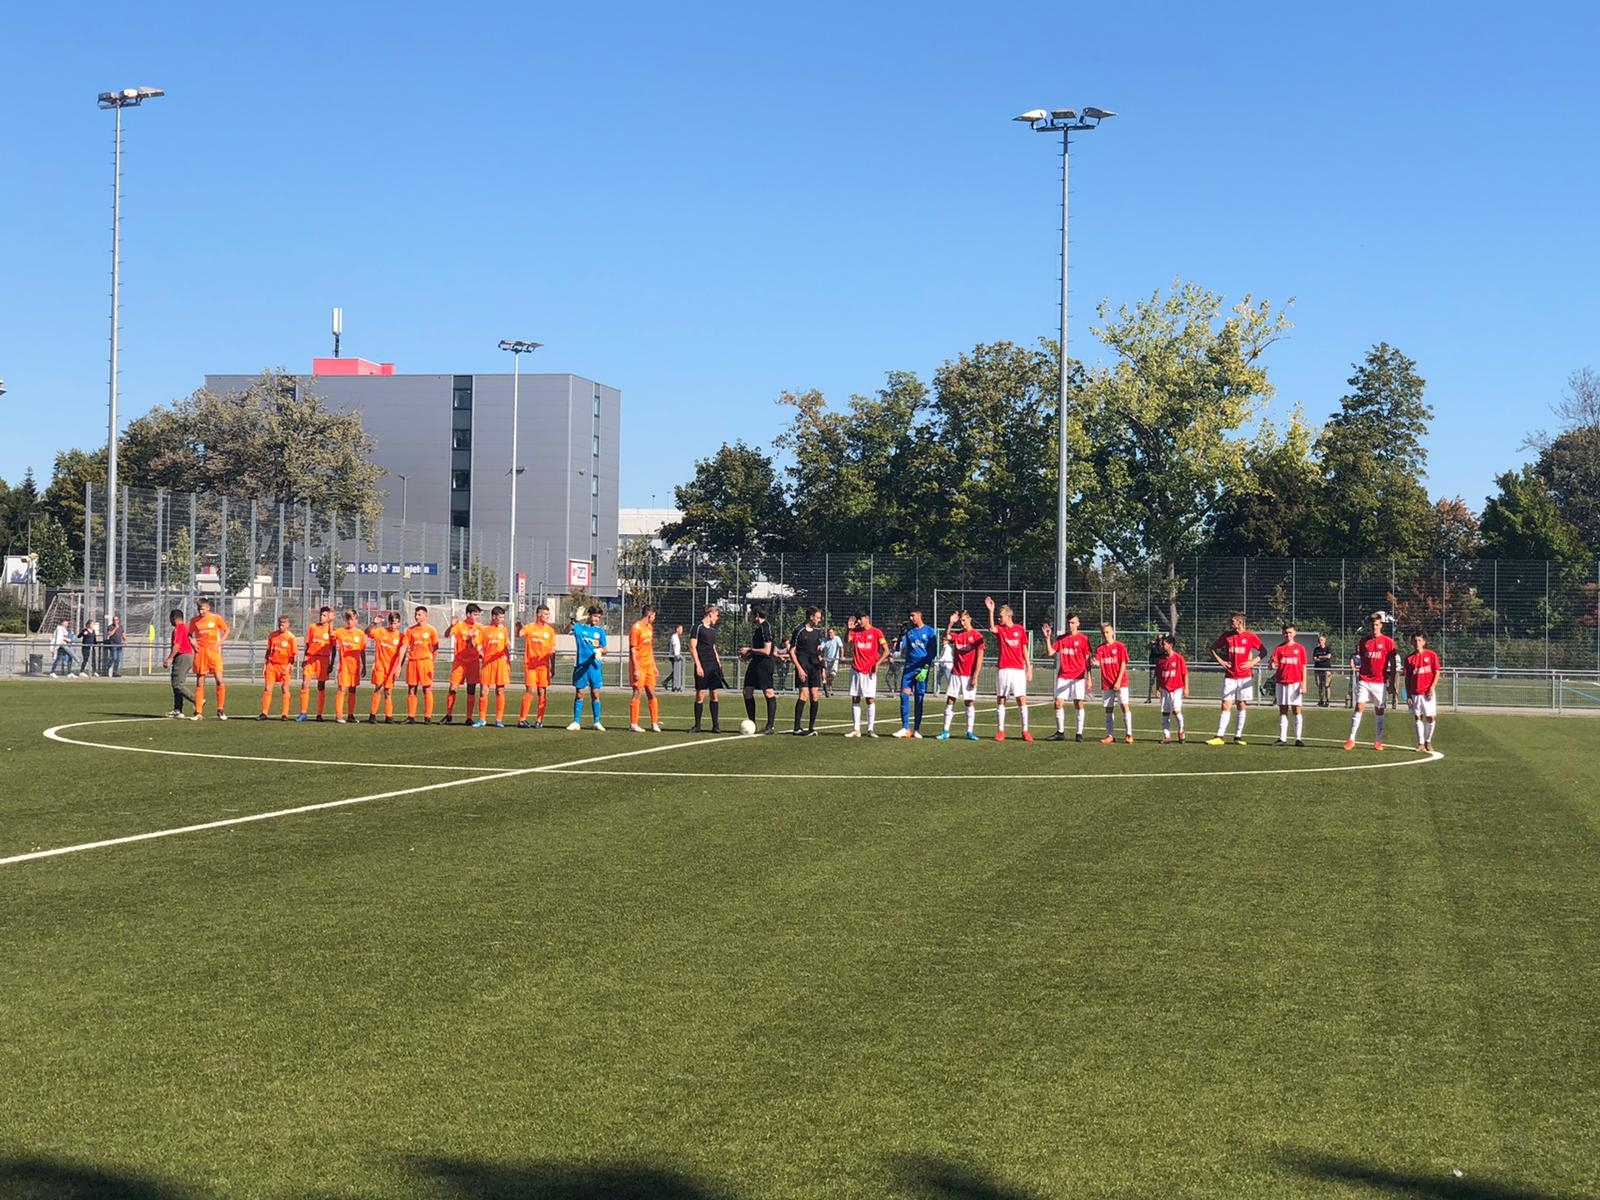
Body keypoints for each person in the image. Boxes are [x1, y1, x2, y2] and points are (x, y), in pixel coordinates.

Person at [1207, 612, 1264, 746]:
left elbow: (1264, 651)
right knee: (1226, 704)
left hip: (1245, 676)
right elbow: (1212, 648)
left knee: (1241, 704)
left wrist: (1252, 662)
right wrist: (1221, 661)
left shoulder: (1250, 636)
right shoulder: (1227, 636)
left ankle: (1238, 736)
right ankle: (1219, 735)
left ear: (1240, 622)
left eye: (1233, 621)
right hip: (1230, 676)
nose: (1230, 623)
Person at [1346, 612, 1398, 751]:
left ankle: (1378, 741)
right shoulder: (1364, 641)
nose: (1374, 627)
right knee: (1359, 707)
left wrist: (1392, 683)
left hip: (1380, 681)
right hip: (1364, 679)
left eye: (1376, 625)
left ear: (1381, 626)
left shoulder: (1388, 642)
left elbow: (1393, 664)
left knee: (1379, 711)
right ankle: (1351, 739)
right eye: (1372, 625)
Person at [984, 596, 1033, 742]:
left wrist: (1029, 668)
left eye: (1001, 616)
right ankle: (1000, 731)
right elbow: (992, 628)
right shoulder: (1000, 629)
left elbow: (1024, 650)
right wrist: (991, 611)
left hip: (1018, 670)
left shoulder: (1020, 629)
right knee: (1001, 699)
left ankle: (1025, 730)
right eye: (998, 616)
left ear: (1009, 616)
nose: (999, 618)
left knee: (1021, 699)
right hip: (1003, 668)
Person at [1041, 611, 1092, 742]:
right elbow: (1050, 652)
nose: (1070, 625)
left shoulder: (1083, 639)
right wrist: (1047, 638)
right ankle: (1060, 732)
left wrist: (1089, 678)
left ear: (1078, 624)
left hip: (1078, 677)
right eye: (1069, 623)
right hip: (1063, 676)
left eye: (1073, 622)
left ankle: (1079, 733)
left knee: (1079, 704)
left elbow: (1087, 660)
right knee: (1058, 703)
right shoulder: (1061, 638)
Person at [937, 610, 985, 741]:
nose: (962, 623)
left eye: (964, 620)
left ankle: (969, 731)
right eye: (961, 621)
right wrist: (950, 623)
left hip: (969, 675)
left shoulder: (977, 636)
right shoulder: (958, 635)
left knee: (969, 702)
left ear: (970, 619)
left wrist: (975, 676)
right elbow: (946, 636)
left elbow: (980, 658)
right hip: (956, 673)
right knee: (950, 700)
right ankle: (945, 731)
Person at [894, 608, 940, 738]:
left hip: (922, 668)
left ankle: (917, 729)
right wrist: (900, 635)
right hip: (909, 669)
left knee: (919, 698)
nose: (910, 618)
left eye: (912, 615)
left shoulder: (929, 631)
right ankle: (905, 728)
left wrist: (926, 667)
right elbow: (898, 649)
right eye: (909, 616)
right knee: (904, 695)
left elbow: (933, 652)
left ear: (919, 615)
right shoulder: (910, 632)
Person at [844, 611, 890, 737]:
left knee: (870, 699)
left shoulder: (876, 632)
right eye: (857, 619)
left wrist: (877, 663)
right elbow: (847, 640)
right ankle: (856, 729)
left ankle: (870, 729)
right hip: (856, 669)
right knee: (855, 698)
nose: (858, 621)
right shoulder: (855, 632)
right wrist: (848, 629)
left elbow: (886, 651)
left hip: (869, 671)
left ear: (867, 618)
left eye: (860, 619)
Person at [441, 604, 483, 724]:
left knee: (471, 689)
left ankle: (469, 718)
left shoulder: (479, 628)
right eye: (475, 614)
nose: (477, 617)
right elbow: (446, 635)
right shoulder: (459, 625)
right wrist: (451, 625)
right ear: (468, 614)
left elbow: (475, 646)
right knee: (453, 688)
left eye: (478, 615)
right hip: (459, 662)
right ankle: (448, 715)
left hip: (473, 662)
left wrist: (471, 639)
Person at [189, 598, 231, 719]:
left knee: (219, 679)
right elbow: (189, 634)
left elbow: (227, 630)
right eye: (199, 609)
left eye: (202, 609)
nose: (200, 611)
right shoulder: (194, 621)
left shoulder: (216, 618)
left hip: (213, 651)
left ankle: (220, 710)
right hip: (201, 652)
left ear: (208, 608)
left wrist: (220, 643)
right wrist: (192, 641)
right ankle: (198, 712)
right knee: (200, 680)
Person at [568, 605, 607, 731]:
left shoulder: (600, 632)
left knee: (595, 693)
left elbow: (605, 649)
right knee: (579, 693)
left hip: (594, 667)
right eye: (595, 616)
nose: (597, 619)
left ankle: (597, 722)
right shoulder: (580, 628)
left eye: (598, 617)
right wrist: (574, 620)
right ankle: (576, 722)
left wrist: (600, 651)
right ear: (589, 615)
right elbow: (567, 630)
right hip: (581, 666)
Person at [1269, 624, 1309, 747]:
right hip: (1281, 682)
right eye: (1286, 632)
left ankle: (1298, 738)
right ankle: (1283, 738)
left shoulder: (1300, 648)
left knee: (1297, 709)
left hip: (1295, 683)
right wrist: (1271, 665)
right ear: (1283, 633)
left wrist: (1304, 683)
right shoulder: (1279, 648)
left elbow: (1303, 667)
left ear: (1294, 633)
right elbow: (1272, 664)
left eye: (1290, 632)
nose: (1288, 635)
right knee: (1283, 709)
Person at [741, 607, 779, 734]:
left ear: (757, 615)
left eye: (752, 615)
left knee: (768, 692)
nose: (752, 618)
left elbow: (767, 651)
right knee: (747, 691)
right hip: (755, 663)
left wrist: (749, 650)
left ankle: (770, 726)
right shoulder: (759, 629)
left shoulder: (765, 628)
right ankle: (752, 724)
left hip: (764, 664)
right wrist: (749, 655)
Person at [518, 604, 557, 728]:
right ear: (539, 614)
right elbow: (519, 634)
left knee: (542, 692)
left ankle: (539, 720)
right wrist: (519, 627)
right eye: (545, 614)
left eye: (548, 614)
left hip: (544, 666)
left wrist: (553, 667)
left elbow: (552, 650)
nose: (547, 616)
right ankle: (522, 719)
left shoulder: (550, 631)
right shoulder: (530, 627)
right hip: (530, 666)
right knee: (530, 690)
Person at [1095, 621, 1134, 744]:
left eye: (1107, 632)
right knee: (1108, 709)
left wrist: (1118, 681)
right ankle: (1110, 735)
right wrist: (1096, 663)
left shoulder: (1120, 646)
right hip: (1107, 683)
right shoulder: (1100, 649)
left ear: (1112, 632)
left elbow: (1123, 664)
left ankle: (1129, 734)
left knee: (1124, 705)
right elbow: (1098, 661)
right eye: (1103, 633)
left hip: (1120, 682)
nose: (1105, 635)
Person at [789, 607, 825, 736]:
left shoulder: (817, 632)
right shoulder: (799, 630)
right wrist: (799, 668)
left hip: (814, 666)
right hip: (803, 665)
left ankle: (811, 727)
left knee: (814, 695)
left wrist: (822, 667)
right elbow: (792, 651)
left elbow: (819, 652)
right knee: (803, 694)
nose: (819, 620)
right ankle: (797, 728)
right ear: (811, 617)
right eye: (817, 617)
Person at [690, 604, 726, 733]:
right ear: (710, 614)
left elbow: (713, 648)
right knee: (700, 694)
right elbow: (692, 647)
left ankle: (716, 725)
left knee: (714, 694)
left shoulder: (712, 630)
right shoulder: (697, 627)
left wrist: (719, 664)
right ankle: (697, 725)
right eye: (717, 615)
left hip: (713, 666)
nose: (717, 618)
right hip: (703, 664)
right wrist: (698, 665)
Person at [1404, 632, 1442, 753]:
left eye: (1419, 640)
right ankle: (1420, 743)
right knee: (1418, 717)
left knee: (1431, 718)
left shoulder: (1431, 655)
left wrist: (1432, 688)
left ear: (1424, 642)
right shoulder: (1409, 659)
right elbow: (1407, 678)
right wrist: (1408, 695)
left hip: (1427, 693)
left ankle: (1428, 741)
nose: (1417, 643)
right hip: (1415, 693)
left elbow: (1437, 672)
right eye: (1415, 640)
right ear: (1412, 643)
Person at [402, 606, 441, 723]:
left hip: (425, 662)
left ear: (425, 615)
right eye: (415, 614)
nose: (416, 616)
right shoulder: (410, 630)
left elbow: (435, 648)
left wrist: (431, 662)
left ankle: (428, 717)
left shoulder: (431, 630)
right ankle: (411, 716)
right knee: (411, 688)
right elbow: (405, 646)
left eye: (419, 614)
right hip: (413, 662)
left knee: (427, 689)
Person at [476, 606, 512, 727]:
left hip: (500, 663)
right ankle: (482, 719)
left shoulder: (504, 630)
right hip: (487, 663)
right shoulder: (484, 630)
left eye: (503, 617)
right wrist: (480, 652)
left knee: (500, 691)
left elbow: (506, 648)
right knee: (483, 691)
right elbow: (478, 644)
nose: (502, 620)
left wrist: (508, 663)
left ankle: (499, 720)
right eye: (500, 617)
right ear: (493, 617)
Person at [365, 611, 404, 724]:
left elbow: (403, 653)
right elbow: (367, 632)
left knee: (388, 691)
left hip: (391, 669)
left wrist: (399, 667)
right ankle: (372, 715)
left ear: (399, 623)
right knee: (378, 688)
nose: (393, 625)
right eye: (391, 623)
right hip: (380, 666)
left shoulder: (401, 637)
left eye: (395, 623)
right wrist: (374, 623)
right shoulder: (381, 631)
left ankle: (389, 716)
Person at [298, 606, 335, 721]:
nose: (321, 617)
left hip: (323, 660)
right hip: (311, 658)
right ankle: (303, 713)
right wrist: (305, 658)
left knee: (321, 686)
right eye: (321, 615)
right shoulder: (312, 627)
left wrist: (331, 664)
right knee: (305, 684)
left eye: (324, 615)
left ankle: (319, 714)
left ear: (329, 617)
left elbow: (334, 648)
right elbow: (308, 644)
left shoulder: (331, 630)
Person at [628, 605, 662, 733]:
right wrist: (636, 668)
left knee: (651, 692)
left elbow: (649, 647)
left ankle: (654, 723)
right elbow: (632, 649)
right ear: (649, 615)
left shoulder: (649, 627)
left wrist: (654, 665)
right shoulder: (636, 628)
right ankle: (633, 724)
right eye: (654, 616)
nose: (654, 618)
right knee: (638, 692)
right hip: (639, 665)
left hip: (648, 666)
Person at [331, 609, 368, 724]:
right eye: (347, 619)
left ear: (356, 620)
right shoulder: (341, 631)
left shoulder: (360, 634)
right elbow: (331, 634)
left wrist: (364, 665)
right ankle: (339, 715)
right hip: (344, 666)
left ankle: (351, 715)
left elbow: (362, 651)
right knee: (342, 688)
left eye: (351, 619)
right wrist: (330, 621)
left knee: (353, 689)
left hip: (355, 667)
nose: (349, 621)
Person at [161, 608, 199, 718]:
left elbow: (177, 645)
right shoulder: (186, 628)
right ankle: (178, 710)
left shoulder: (179, 628)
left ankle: (197, 700)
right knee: (176, 683)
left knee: (177, 684)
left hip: (182, 657)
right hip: (187, 656)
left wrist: (169, 658)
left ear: (173, 618)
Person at [258, 615, 297, 720]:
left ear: (288, 625)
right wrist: (265, 664)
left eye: (283, 624)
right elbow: (268, 651)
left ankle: (285, 714)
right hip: (272, 665)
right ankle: (264, 713)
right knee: (268, 688)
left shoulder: (291, 638)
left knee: (285, 689)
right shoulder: (272, 635)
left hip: (284, 666)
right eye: (280, 624)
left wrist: (289, 666)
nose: (281, 626)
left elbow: (293, 655)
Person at [1156, 635, 1189, 743]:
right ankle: (1167, 736)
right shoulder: (1160, 660)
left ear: (1170, 645)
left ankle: (1181, 731)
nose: (1161, 646)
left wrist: (1186, 688)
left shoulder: (1179, 658)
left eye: (1163, 644)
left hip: (1176, 689)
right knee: (1165, 713)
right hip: (1164, 690)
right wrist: (1157, 689)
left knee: (1176, 711)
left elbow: (1185, 673)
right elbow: (1158, 676)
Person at [1312, 634, 1334, 707]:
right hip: (1318, 669)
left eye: (1321, 640)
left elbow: (1328, 656)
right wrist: (1323, 658)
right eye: (1319, 640)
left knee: (1327, 685)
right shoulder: (1316, 649)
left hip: (1327, 669)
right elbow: (1315, 658)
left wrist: (1320, 657)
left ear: (1324, 641)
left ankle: (1327, 701)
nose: (1320, 641)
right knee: (1320, 685)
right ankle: (1321, 700)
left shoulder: (1328, 648)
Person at [822, 627, 843, 698]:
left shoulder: (837, 639)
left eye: (831, 632)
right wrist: (820, 648)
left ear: (834, 633)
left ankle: (828, 687)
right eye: (828, 633)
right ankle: (829, 690)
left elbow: (841, 647)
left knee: (832, 675)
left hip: (834, 660)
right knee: (825, 675)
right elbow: (821, 647)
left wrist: (841, 656)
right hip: (826, 660)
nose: (829, 634)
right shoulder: (825, 639)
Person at [667, 623, 685, 692]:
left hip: (676, 656)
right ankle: (674, 686)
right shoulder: (674, 636)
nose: (682, 631)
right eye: (680, 629)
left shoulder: (677, 637)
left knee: (676, 671)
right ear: (677, 629)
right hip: (674, 656)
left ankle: (674, 685)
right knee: (675, 671)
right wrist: (675, 655)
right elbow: (674, 646)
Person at [1146, 635, 1163, 703]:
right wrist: (1151, 643)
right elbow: (1147, 648)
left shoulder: (1163, 647)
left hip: (1160, 667)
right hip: (1153, 666)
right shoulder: (1154, 646)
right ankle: (1149, 697)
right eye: (1159, 639)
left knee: (1162, 683)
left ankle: (1161, 697)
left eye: (1161, 639)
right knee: (1151, 682)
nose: (1160, 641)